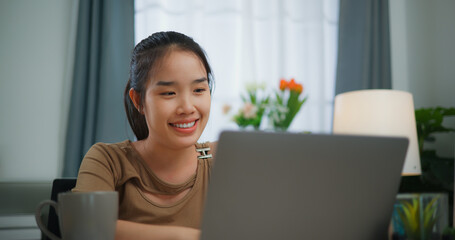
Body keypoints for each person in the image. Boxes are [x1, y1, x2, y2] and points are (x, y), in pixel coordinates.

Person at [73, 31, 216, 240]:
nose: (187, 107)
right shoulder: (108, 160)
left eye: (199, 89)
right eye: (169, 93)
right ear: (138, 101)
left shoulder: (223, 159)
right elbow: (83, 227)